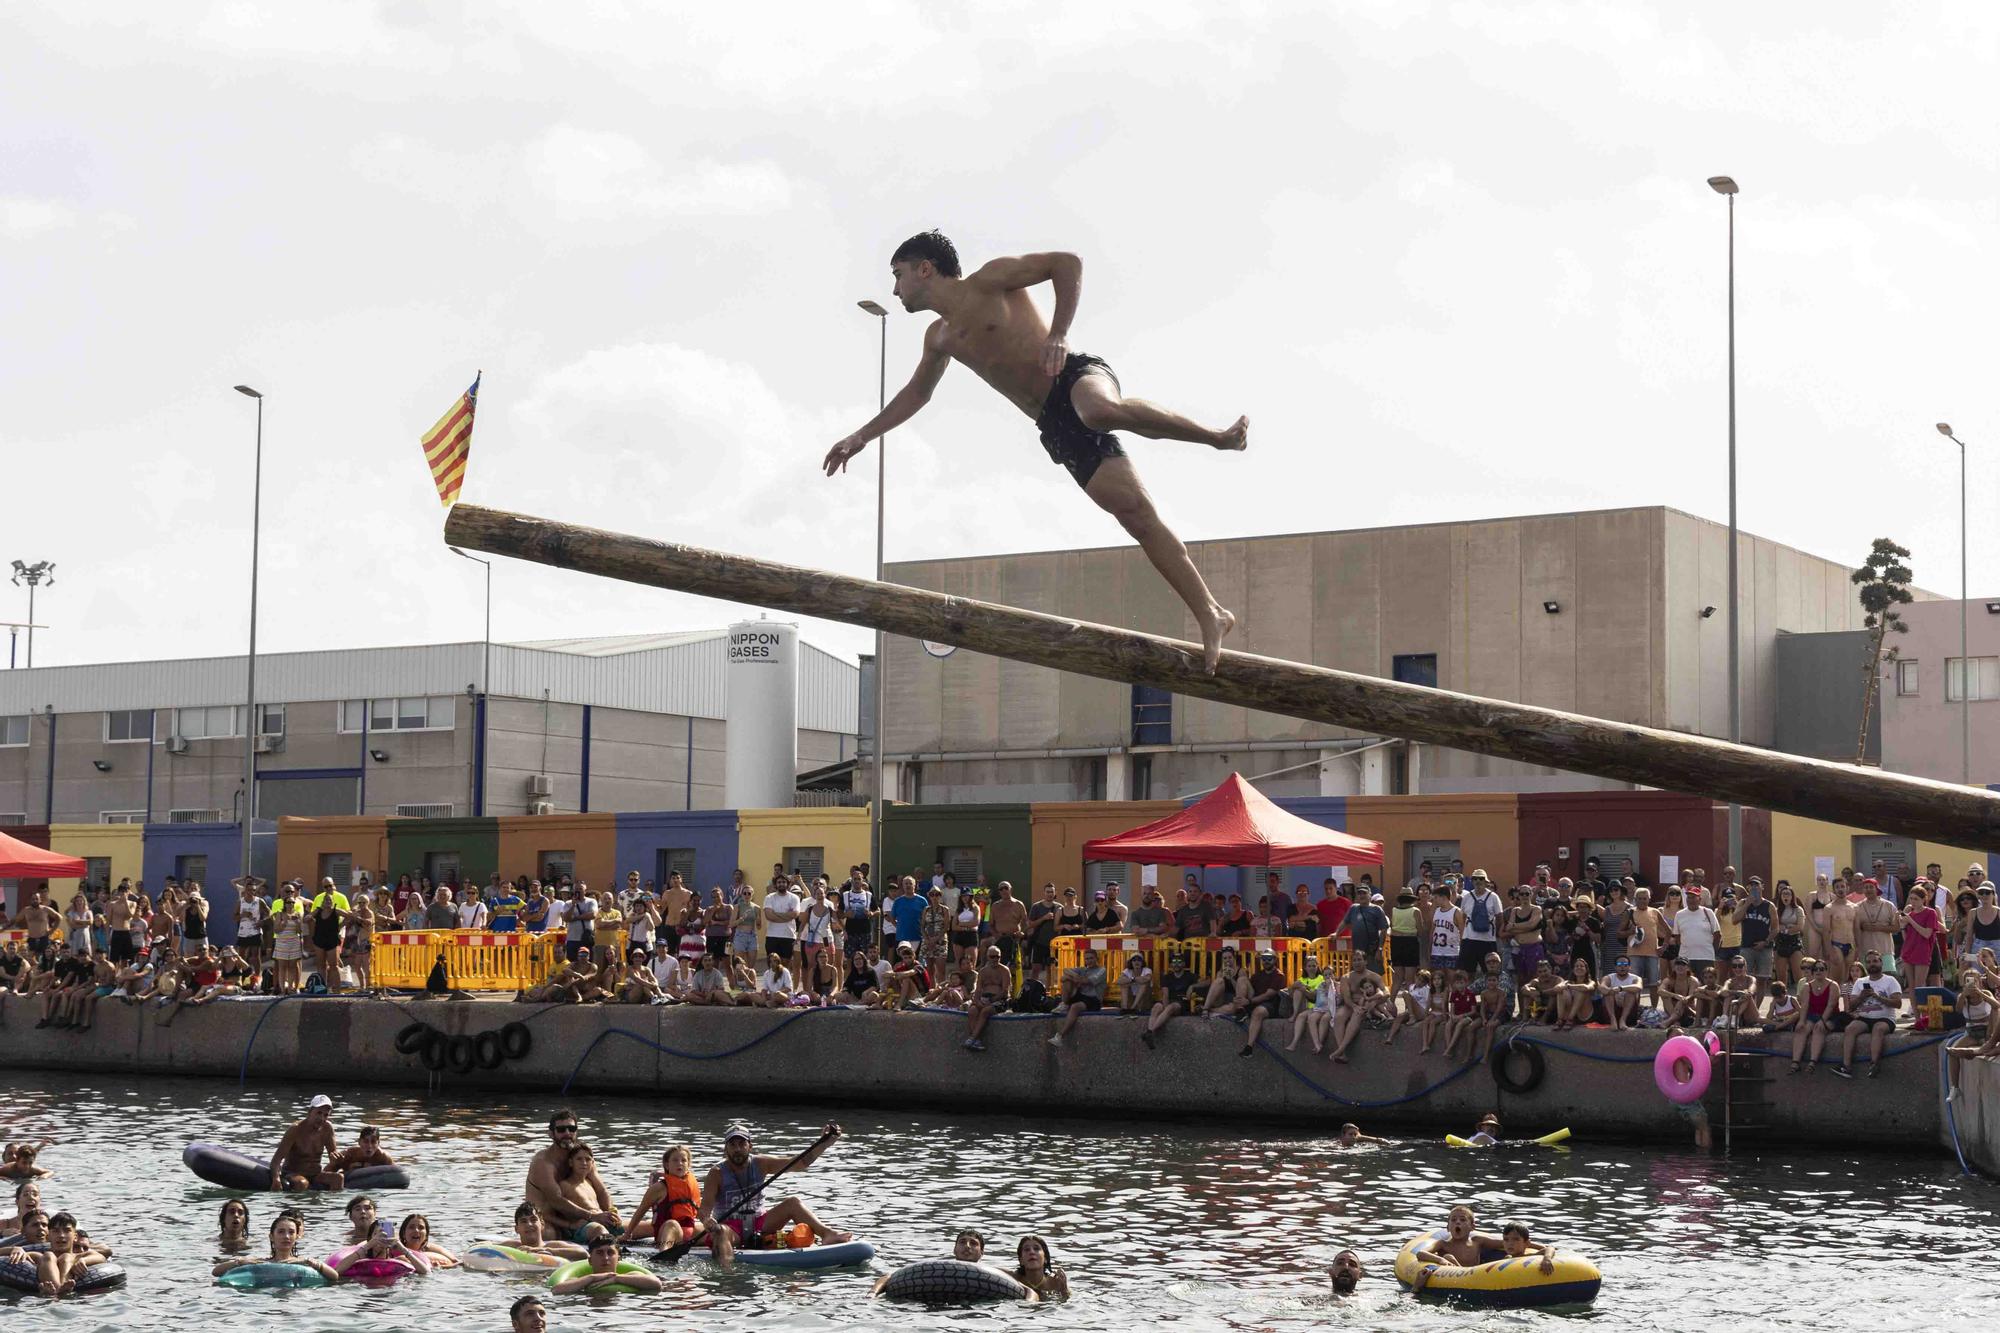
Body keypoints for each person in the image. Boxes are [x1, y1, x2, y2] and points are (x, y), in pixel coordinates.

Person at [824, 231, 1249, 671]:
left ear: (925, 269)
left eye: (898, 275)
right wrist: (861, 436)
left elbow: (1067, 262)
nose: (894, 289)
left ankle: (1216, 436)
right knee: (1135, 514)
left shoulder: (990, 281)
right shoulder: (940, 338)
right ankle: (1211, 613)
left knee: (1100, 409)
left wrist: (1059, 333)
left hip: (1073, 377)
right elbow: (917, 394)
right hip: (1054, 425)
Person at [699, 1123, 851, 1267]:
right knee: (720, 1231)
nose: (737, 1149)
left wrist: (823, 1143)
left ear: (749, 1146)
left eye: (741, 1144)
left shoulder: (761, 1163)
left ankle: (827, 1234)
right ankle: (727, 1274)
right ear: (725, 1149)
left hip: (760, 1223)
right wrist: (706, 1220)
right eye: (732, 1145)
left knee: (793, 1202)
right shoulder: (716, 1173)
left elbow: (799, 1163)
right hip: (731, 1229)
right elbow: (705, 1208)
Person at [525, 1110, 622, 1241]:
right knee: (549, 1234)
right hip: (549, 1221)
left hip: (582, 1220)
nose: (567, 1133)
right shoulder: (543, 1163)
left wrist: (612, 1213)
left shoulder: (582, 1157)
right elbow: (556, 1200)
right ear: (551, 1133)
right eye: (561, 1130)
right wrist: (591, 1217)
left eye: (571, 1129)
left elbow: (601, 1190)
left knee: (646, 1225)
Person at [1410, 1206, 1556, 1291]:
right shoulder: (1443, 1244)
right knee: (1449, 1257)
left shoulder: (1477, 1241)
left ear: (1473, 1226)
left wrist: (1536, 1247)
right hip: (1454, 1277)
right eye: (1453, 1220)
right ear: (1448, 1227)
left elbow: (1506, 1244)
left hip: (1477, 1277)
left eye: (1462, 1220)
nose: (1457, 1223)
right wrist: (1440, 1259)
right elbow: (1421, 1253)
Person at [212, 1207, 340, 1283]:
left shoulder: (304, 1263)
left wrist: (315, 1264)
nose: (286, 1236)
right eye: (281, 1232)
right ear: (271, 1236)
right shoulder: (260, 1262)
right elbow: (216, 1272)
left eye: (291, 1232)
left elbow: (334, 1276)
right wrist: (240, 1262)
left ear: (296, 1237)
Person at [1836, 950, 1903, 1079]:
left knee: (1878, 1029)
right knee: (1850, 1029)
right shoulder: (1860, 982)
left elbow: (1898, 1003)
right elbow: (1851, 1007)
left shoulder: (1890, 980)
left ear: (1881, 963)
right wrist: (1862, 996)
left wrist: (1877, 997)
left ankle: (1874, 1064)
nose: (1872, 964)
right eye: (1869, 962)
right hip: (1864, 1018)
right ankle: (1846, 1066)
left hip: (1885, 1018)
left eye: (1875, 961)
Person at [626, 1145, 705, 1250]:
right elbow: (640, 1211)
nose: (680, 1163)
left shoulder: (692, 1185)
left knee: (719, 1229)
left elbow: (697, 1211)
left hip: (689, 1231)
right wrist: (627, 1234)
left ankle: (725, 1259)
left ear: (688, 1164)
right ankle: (664, 1256)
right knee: (672, 1224)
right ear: (667, 1165)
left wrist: (709, 1222)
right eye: (675, 1160)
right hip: (667, 1233)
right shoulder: (658, 1188)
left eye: (683, 1160)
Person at [269, 1094, 344, 1192]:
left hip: (315, 1174)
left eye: (325, 1115)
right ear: (310, 1112)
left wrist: (336, 1159)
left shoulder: (327, 1128)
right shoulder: (295, 1129)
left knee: (339, 1178)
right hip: (293, 1173)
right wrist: (276, 1179)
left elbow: (333, 1154)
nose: (321, 1118)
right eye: (319, 1113)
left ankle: (330, 1206)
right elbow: (276, 1160)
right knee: (302, 1183)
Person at [550, 1229, 660, 1294]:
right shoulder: (578, 1281)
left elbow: (656, 1284)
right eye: (599, 1253)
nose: (606, 1258)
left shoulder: (632, 1275)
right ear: (590, 1260)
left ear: (619, 1259)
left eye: (610, 1253)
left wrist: (616, 1278)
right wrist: (592, 1278)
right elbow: (556, 1290)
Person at [1047, 947, 1108, 1047]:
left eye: (1091, 958)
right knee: (1066, 981)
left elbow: (1087, 981)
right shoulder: (1082, 969)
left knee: (1075, 1006)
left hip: (1093, 999)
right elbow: (1065, 973)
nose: (1089, 961)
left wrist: (1074, 978)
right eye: (1087, 959)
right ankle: (1065, 1004)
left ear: (1096, 958)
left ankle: (1060, 1036)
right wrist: (1074, 978)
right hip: (1081, 995)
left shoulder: (1101, 970)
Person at [1141, 949, 1200, 1049]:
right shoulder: (1167, 977)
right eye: (1174, 962)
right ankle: (1150, 1032)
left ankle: (1150, 1032)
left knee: (1171, 1007)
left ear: (1184, 964)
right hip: (1169, 1000)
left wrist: (1192, 986)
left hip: (1181, 1002)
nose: (1176, 964)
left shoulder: (1190, 976)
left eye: (1179, 962)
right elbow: (1165, 994)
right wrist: (1164, 1007)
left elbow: (1207, 981)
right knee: (1156, 1007)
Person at [962, 946, 1015, 1052]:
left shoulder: (1004, 970)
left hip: (1000, 1000)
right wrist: (976, 1001)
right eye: (992, 957)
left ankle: (972, 1038)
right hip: (985, 997)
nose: (995, 959)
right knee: (972, 1010)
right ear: (987, 957)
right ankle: (977, 1041)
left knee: (985, 1011)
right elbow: (978, 989)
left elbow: (1005, 991)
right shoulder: (982, 971)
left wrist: (991, 1001)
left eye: (997, 957)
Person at [503, 1202, 588, 1260]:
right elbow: (490, 1248)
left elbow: (583, 1253)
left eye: (533, 1220)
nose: (529, 1224)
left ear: (542, 1225)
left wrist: (545, 1251)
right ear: (516, 1229)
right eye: (524, 1221)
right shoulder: (512, 1246)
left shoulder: (553, 1246)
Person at [1012, 1233, 1070, 1299]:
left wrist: (1063, 1290)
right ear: (1021, 1260)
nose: (1031, 1252)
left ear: (1045, 1258)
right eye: (1027, 1249)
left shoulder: (1055, 1283)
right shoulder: (1014, 1279)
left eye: (1036, 1249)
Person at [1599, 956, 1644, 1031]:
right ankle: (1613, 1020)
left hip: (1629, 1013)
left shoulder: (1636, 978)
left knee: (1631, 993)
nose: (1622, 967)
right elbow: (1601, 987)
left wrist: (1621, 988)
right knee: (1608, 993)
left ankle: (1622, 1020)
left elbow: (1638, 987)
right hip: (1612, 1010)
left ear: (1629, 967)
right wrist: (1611, 991)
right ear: (1615, 967)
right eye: (1619, 965)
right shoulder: (1608, 977)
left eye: (1625, 965)